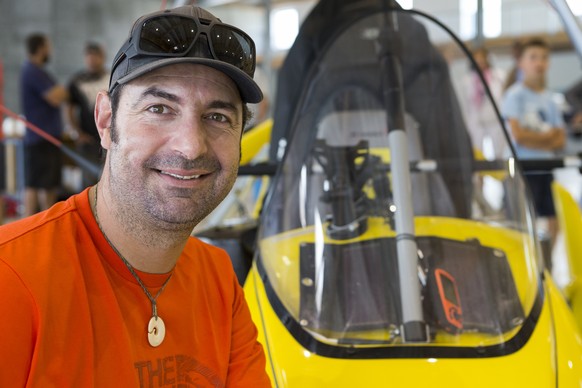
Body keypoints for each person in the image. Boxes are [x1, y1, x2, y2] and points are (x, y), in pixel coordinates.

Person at [0, 5, 271, 386]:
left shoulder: (218, 280)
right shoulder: (11, 279)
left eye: (218, 117)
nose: (191, 147)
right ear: (106, 121)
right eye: (159, 108)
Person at [501, 37, 566, 248]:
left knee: (553, 219)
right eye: (533, 57)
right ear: (522, 62)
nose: (539, 63)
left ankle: (548, 265)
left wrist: (536, 139)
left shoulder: (550, 99)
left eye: (544, 58)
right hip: (522, 169)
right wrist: (548, 138)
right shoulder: (514, 96)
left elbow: (561, 139)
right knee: (519, 223)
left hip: (545, 168)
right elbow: (518, 135)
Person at [19, 33, 68, 216]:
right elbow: (56, 97)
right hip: (40, 137)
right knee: (36, 184)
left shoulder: (39, 71)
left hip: (47, 138)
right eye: (48, 46)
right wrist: (63, 92)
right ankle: (31, 228)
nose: (50, 50)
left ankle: (46, 225)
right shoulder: (31, 71)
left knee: (48, 185)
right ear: (41, 48)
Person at [67, 41, 109, 188]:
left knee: (108, 180)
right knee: (87, 180)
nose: (92, 60)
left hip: (109, 138)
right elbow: (69, 108)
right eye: (89, 56)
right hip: (88, 139)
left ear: (102, 57)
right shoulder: (77, 81)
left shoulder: (111, 78)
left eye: (95, 56)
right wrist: (77, 133)